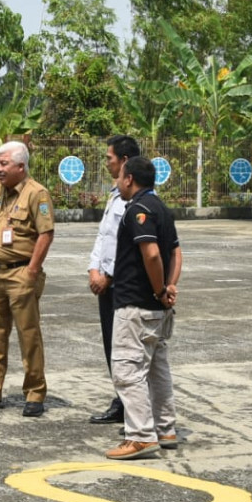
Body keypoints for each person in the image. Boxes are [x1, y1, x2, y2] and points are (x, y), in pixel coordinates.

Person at [0, 140, 55, 417]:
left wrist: (32, 270)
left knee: (28, 335)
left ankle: (34, 393)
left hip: (21, 273)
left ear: (20, 166)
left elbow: (46, 234)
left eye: (3, 164)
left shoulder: (37, 194)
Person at [106, 156, 183, 460]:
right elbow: (176, 253)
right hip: (157, 309)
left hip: (136, 305)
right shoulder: (162, 208)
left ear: (129, 179)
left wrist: (159, 288)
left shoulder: (137, 209)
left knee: (127, 371)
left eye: (120, 176)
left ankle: (140, 436)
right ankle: (166, 430)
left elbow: (152, 254)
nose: (118, 182)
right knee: (157, 371)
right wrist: (169, 288)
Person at [86, 134, 140, 424]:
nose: (106, 162)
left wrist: (108, 276)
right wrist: (93, 269)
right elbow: (103, 237)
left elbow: (127, 246)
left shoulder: (136, 201)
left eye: (110, 158)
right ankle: (121, 400)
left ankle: (131, 406)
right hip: (105, 282)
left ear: (125, 161)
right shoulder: (114, 194)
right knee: (111, 345)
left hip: (121, 286)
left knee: (126, 350)